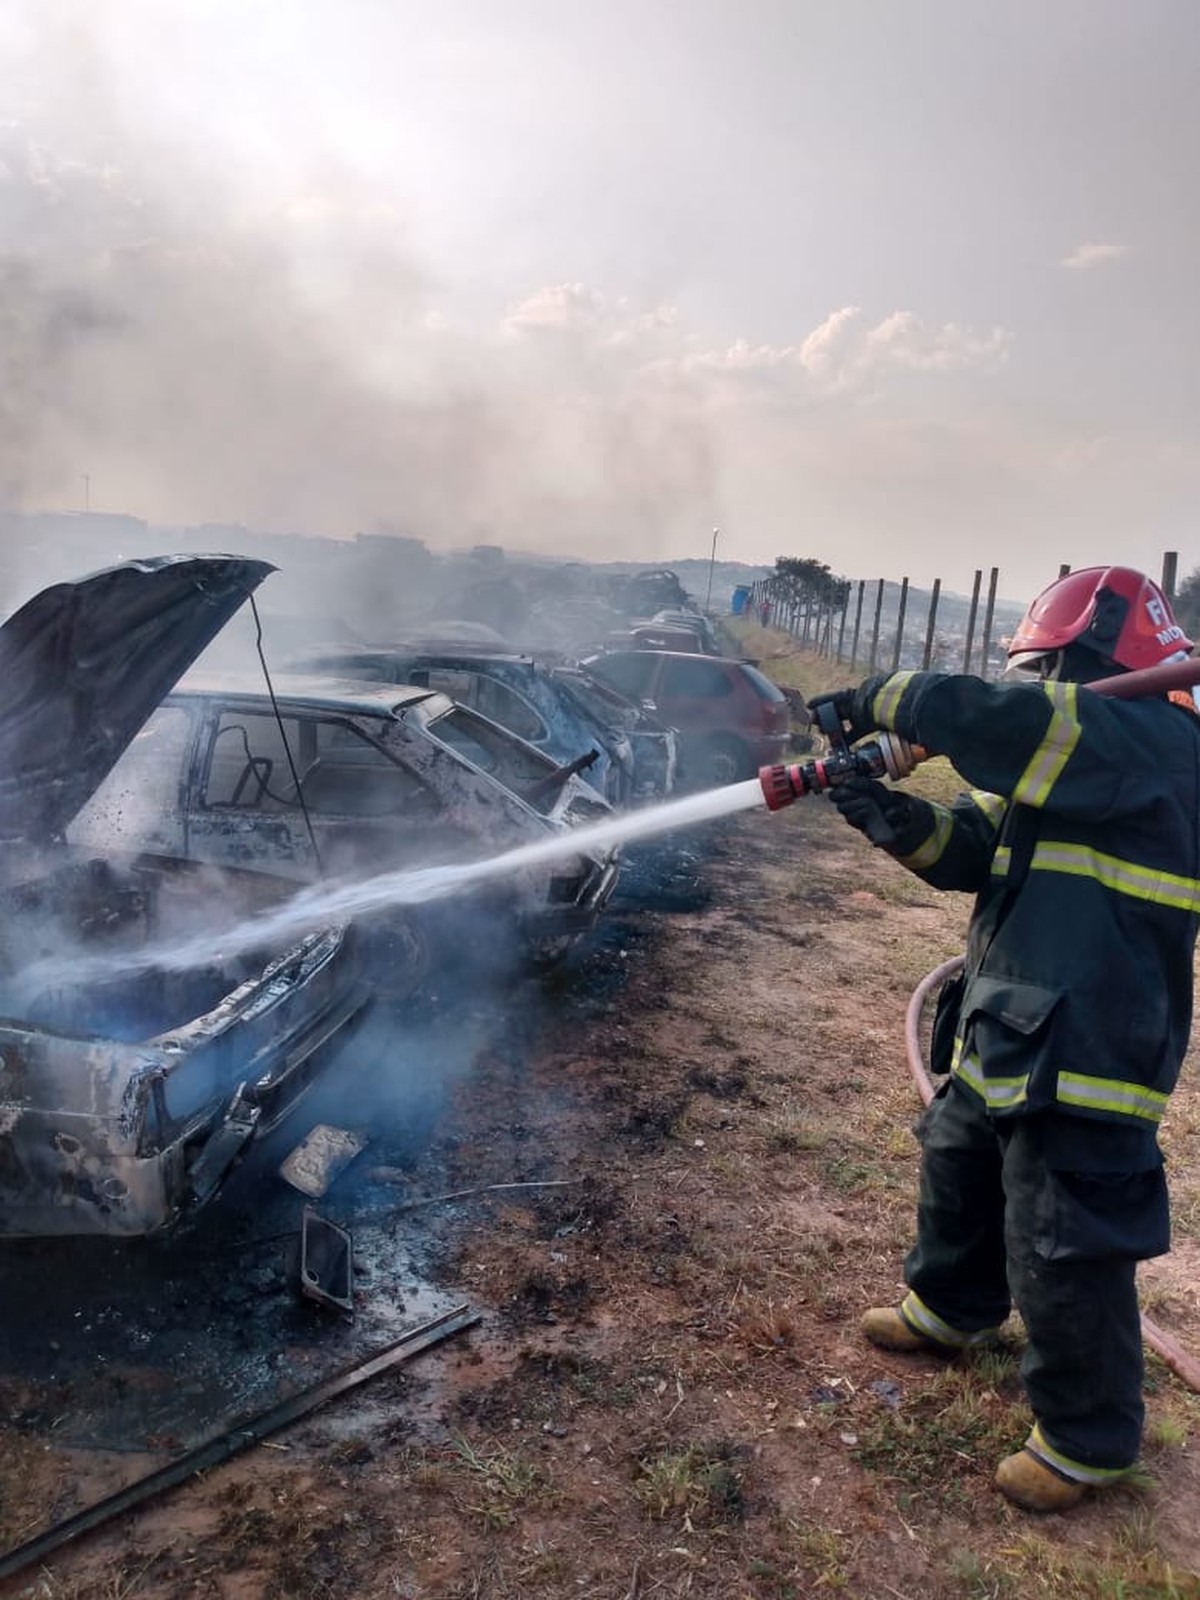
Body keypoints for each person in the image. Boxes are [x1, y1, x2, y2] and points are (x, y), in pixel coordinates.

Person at [807, 566, 1200, 1514]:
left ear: (1090, 658)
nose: (1032, 685)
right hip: (1013, 1020)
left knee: (1062, 1237)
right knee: (960, 1162)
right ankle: (949, 1309)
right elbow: (973, 853)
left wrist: (882, 698)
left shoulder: (1155, 743)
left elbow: (1006, 725)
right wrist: (893, 819)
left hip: (1094, 1043)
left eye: (1044, 668)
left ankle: (1086, 1438)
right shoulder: (1079, 754)